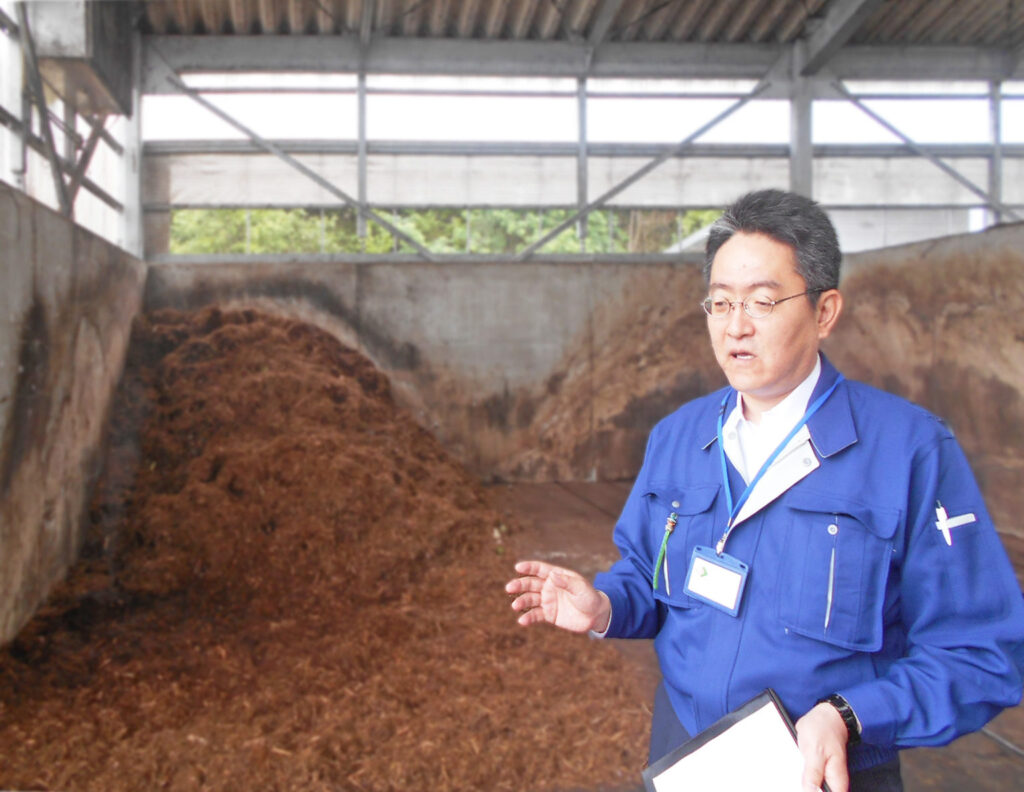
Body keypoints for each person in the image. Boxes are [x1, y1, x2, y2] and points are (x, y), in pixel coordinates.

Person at [505, 189, 1024, 792]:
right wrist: (605, 607)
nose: (735, 327)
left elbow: (981, 654)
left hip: (823, 772)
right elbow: (648, 575)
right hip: (686, 758)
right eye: (720, 302)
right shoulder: (678, 437)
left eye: (762, 302)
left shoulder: (908, 451)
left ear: (825, 312)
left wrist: (850, 716)